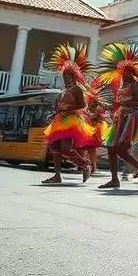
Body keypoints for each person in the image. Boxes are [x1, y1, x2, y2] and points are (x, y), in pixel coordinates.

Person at [96, 43, 138, 189]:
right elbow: (119, 102)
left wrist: (123, 102)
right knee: (111, 147)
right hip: (120, 118)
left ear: (132, 72)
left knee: (121, 149)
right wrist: (107, 106)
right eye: (123, 71)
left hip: (130, 119)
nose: (124, 73)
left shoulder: (135, 84)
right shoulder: (123, 84)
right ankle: (114, 179)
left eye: (127, 71)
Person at [41, 43, 95, 184]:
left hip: (72, 120)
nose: (65, 78)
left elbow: (82, 105)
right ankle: (57, 175)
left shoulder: (77, 89)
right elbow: (58, 106)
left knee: (66, 148)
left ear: (73, 76)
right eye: (63, 76)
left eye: (67, 76)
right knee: (55, 148)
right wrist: (55, 112)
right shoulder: (63, 90)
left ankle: (85, 165)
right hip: (59, 120)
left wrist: (69, 107)